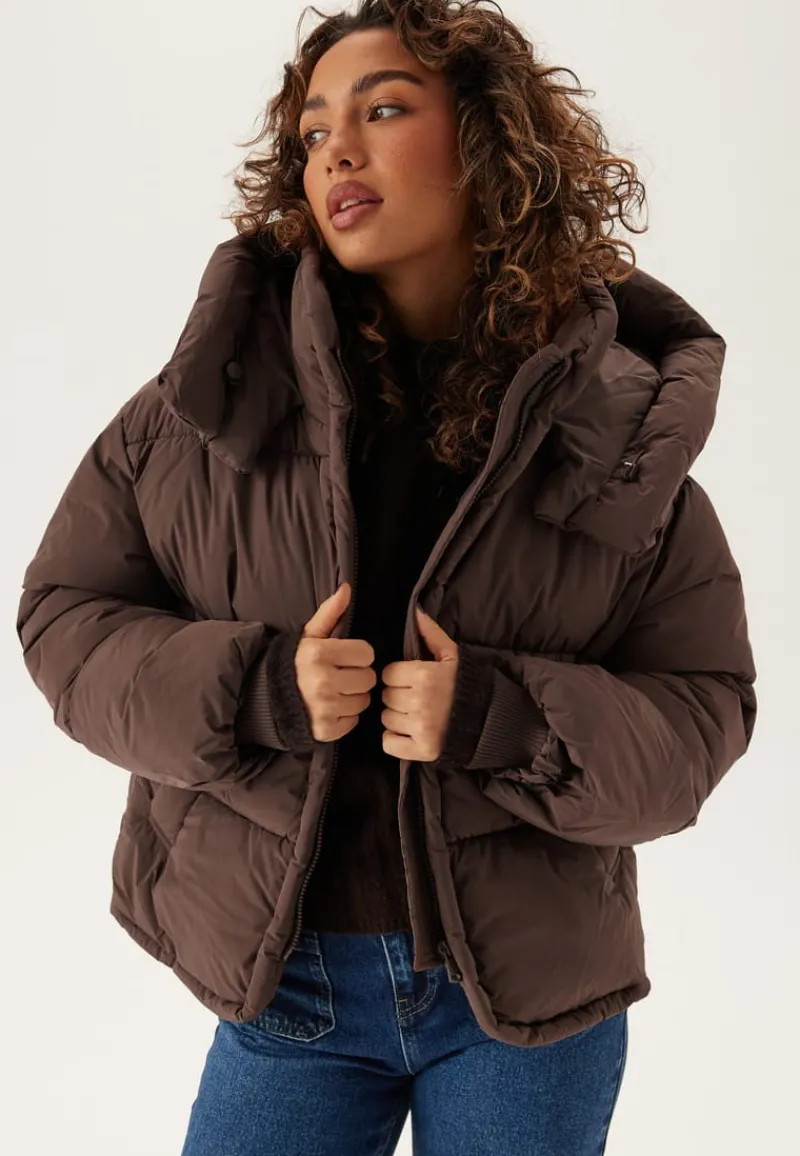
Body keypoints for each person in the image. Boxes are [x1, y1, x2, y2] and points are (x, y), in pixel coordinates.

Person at [16, 1, 757, 1153]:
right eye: (314, 131)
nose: (337, 152)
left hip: (524, 1002)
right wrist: (255, 689)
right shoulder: (204, 409)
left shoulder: (616, 435)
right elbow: (64, 619)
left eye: (384, 110)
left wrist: (507, 720)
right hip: (287, 984)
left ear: (490, 142)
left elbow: (701, 710)